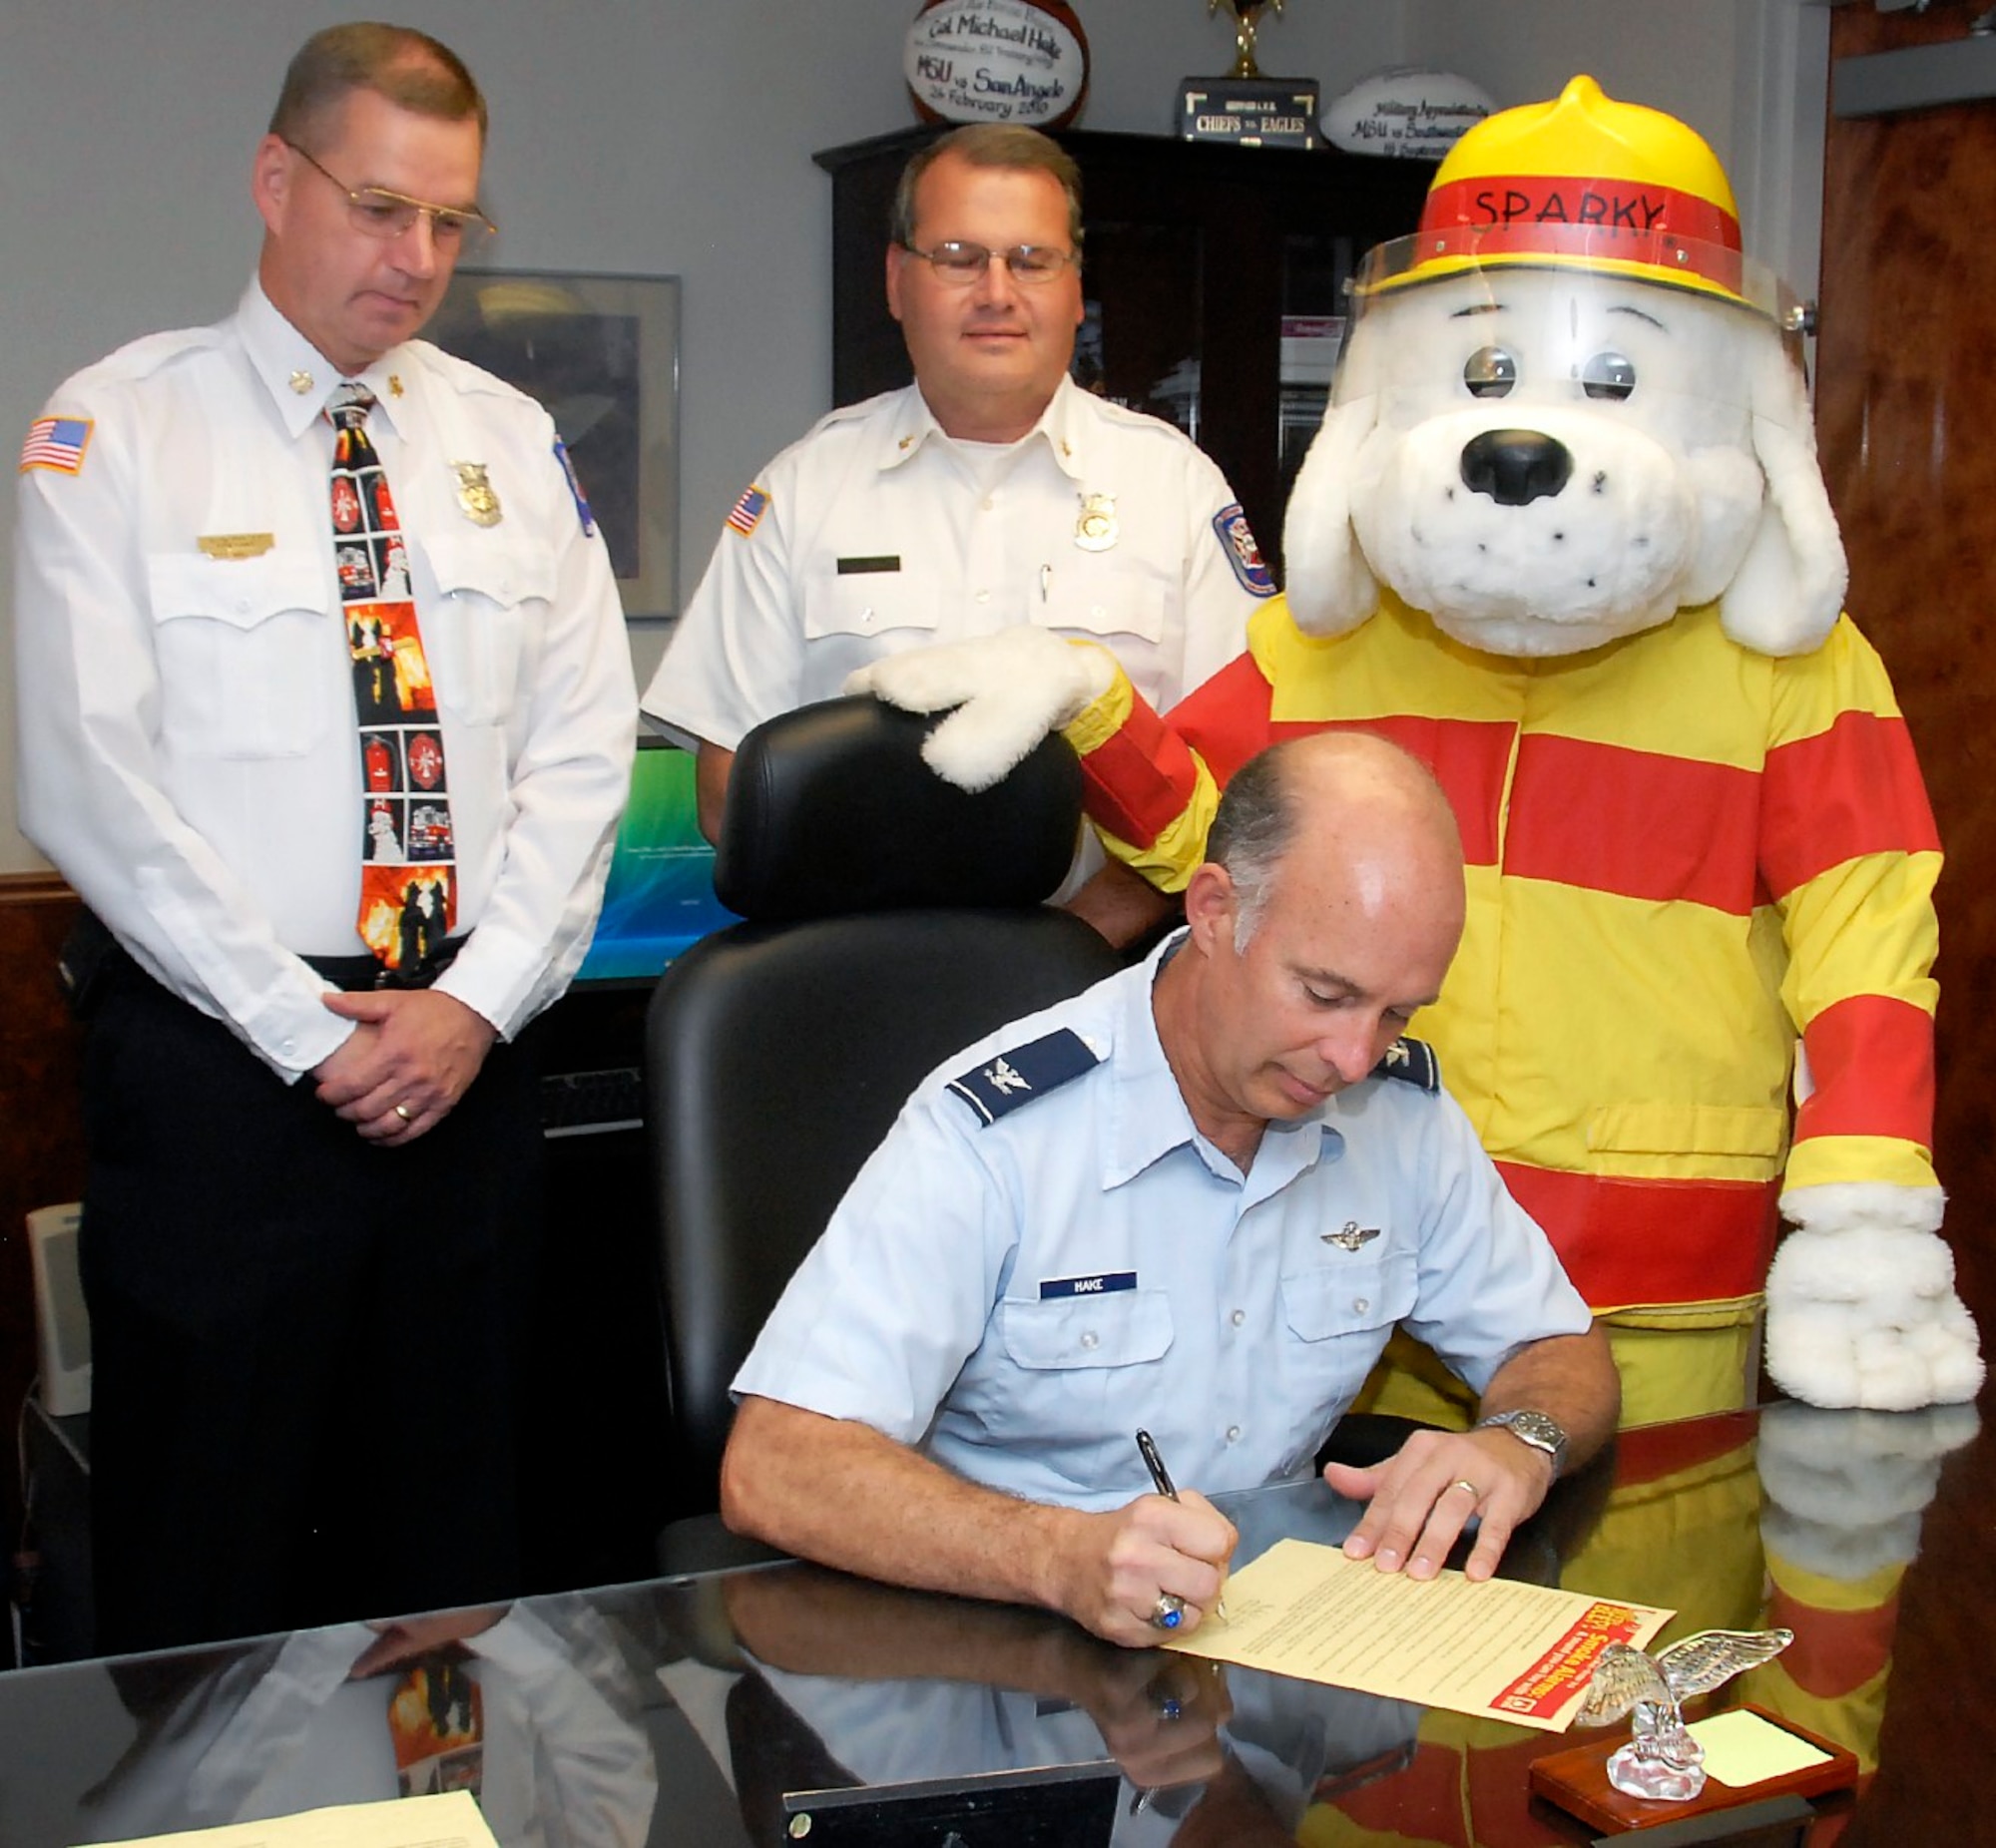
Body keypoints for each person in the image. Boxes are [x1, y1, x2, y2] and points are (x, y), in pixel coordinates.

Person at [13, 23, 638, 1652]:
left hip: (466, 1065)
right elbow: (89, 782)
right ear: (275, 183)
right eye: (379, 208)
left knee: (450, 1560)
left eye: (451, 221)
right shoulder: (120, 432)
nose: (416, 257)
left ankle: (433, 1816)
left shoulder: (510, 439)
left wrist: (471, 1007)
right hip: (227, 1077)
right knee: (207, 1568)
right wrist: (311, 1036)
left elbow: (581, 760)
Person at [721, 733, 1618, 1646]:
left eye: (1396, 1013)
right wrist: (1058, 1556)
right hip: (1006, 1653)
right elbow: (777, 1466)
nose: (1355, 1057)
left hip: (1281, 1656)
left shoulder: (1398, 1117)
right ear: (1217, 910)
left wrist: (1521, 1442)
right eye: (1323, 993)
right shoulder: (1000, 1134)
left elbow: (1559, 1347)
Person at [640, 123, 1272, 938]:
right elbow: (731, 794)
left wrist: (1072, 958)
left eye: (1032, 260)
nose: (997, 291)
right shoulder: (804, 488)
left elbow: (1236, 783)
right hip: (859, 974)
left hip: (1108, 977)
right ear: (899, 280)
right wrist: (893, 954)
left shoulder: (1175, 488)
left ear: (1077, 289)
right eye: (959, 256)